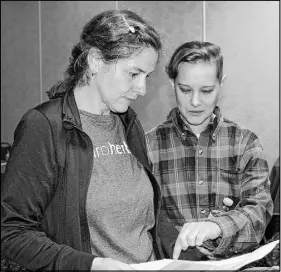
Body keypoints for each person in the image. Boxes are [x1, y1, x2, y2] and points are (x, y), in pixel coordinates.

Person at [1, 9, 164, 271]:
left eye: (147, 76)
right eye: (134, 74)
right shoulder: (44, 126)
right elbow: (11, 232)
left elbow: (140, 223)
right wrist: (90, 265)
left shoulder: (128, 122)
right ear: (96, 60)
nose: (142, 89)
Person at [145, 41, 273, 261]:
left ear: (221, 84)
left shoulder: (245, 143)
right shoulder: (148, 146)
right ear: (172, 84)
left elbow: (259, 212)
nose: (195, 101)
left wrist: (216, 227)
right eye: (185, 90)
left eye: (206, 90)